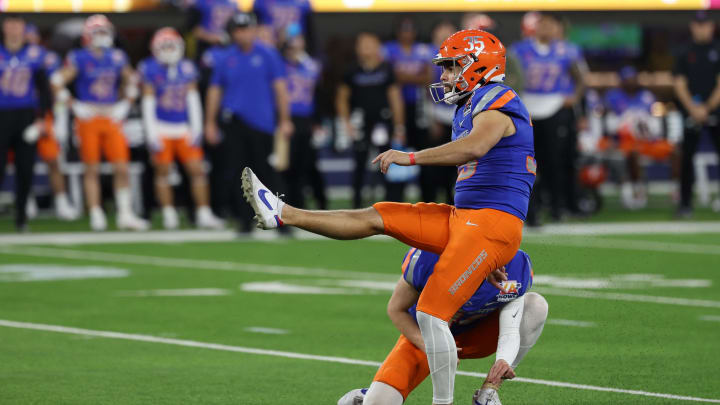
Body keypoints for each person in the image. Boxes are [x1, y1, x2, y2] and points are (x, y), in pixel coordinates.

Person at [243, 29, 535, 405]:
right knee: (376, 216)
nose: (445, 76)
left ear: (477, 64)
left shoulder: (497, 99)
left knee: (430, 312)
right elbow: (396, 308)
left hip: (492, 222)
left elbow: (475, 147)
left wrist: (409, 156)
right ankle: (282, 213)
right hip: (467, 218)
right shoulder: (471, 103)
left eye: (451, 66)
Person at [337, 248, 548, 405]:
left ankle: (488, 394)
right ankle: (367, 396)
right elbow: (396, 309)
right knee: (378, 403)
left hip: (475, 334)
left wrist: (502, 361)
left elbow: (511, 326)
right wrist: (431, 347)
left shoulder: (518, 264)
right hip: (425, 336)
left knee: (536, 305)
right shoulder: (431, 256)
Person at [51, 14, 149, 231]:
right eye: (98, 32)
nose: (102, 36)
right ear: (88, 35)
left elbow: (132, 80)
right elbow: (56, 81)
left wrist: (125, 104)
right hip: (89, 116)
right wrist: (74, 104)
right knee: (91, 168)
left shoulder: (117, 57)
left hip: (111, 115)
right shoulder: (79, 57)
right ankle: (96, 211)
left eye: (105, 32)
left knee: (121, 167)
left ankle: (125, 213)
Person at [204, 12, 292, 233]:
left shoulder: (268, 54)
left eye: (246, 29)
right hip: (234, 121)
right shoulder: (225, 58)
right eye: (238, 30)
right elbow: (215, 91)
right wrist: (209, 122)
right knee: (238, 173)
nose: (243, 34)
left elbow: (280, 89)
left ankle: (281, 220)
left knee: (268, 173)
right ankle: (245, 221)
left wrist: (285, 119)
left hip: (263, 123)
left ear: (254, 30)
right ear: (232, 33)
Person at [138, 27, 225, 230]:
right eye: (165, 45)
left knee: (197, 170)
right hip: (162, 126)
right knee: (162, 172)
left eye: (172, 45)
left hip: (183, 127)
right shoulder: (150, 68)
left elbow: (193, 99)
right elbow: (148, 103)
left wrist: (196, 128)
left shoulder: (187, 68)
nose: (169, 49)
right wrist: (151, 133)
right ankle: (169, 214)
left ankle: (203, 212)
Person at [511, 12, 586, 225]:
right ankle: (531, 210)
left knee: (555, 161)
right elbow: (512, 77)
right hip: (528, 107)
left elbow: (580, 76)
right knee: (528, 162)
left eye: (551, 24)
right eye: (543, 23)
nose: (547, 28)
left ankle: (556, 207)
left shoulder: (566, 51)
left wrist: (575, 97)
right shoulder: (520, 49)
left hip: (554, 105)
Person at [337, 32, 405, 207]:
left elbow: (395, 98)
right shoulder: (351, 70)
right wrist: (346, 122)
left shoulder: (386, 69)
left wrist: (399, 127)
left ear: (377, 47)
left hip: (383, 122)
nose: (365, 48)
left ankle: (393, 204)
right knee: (359, 163)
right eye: (362, 44)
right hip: (360, 123)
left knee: (388, 161)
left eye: (369, 43)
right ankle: (357, 205)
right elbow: (342, 97)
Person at [0, 15, 54, 231]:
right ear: (4, 27)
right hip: (1, 116)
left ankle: (21, 217)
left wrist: (42, 119)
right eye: (10, 24)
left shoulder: (35, 54)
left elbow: (45, 90)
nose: (14, 29)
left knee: (25, 169)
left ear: (24, 28)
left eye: (17, 25)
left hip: (26, 117)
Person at [605, 66, 675, 210]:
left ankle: (676, 190)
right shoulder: (613, 96)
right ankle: (637, 190)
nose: (631, 82)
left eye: (633, 79)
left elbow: (656, 122)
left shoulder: (647, 96)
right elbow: (609, 123)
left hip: (649, 140)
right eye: (627, 79)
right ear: (622, 81)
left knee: (675, 151)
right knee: (632, 153)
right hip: (626, 141)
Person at [673, 11, 720, 218]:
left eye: (706, 24)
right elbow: (679, 83)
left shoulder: (718, 49)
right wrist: (693, 108)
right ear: (693, 26)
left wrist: (708, 107)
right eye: (698, 24)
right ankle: (685, 204)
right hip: (690, 112)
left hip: (716, 111)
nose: (702, 28)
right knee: (686, 158)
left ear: (712, 26)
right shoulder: (684, 51)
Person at [282, 33, 326, 210]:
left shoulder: (312, 66)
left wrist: (318, 121)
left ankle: (318, 202)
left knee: (308, 164)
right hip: (287, 119)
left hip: (307, 120)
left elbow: (319, 95)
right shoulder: (280, 67)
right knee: (287, 165)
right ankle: (291, 204)